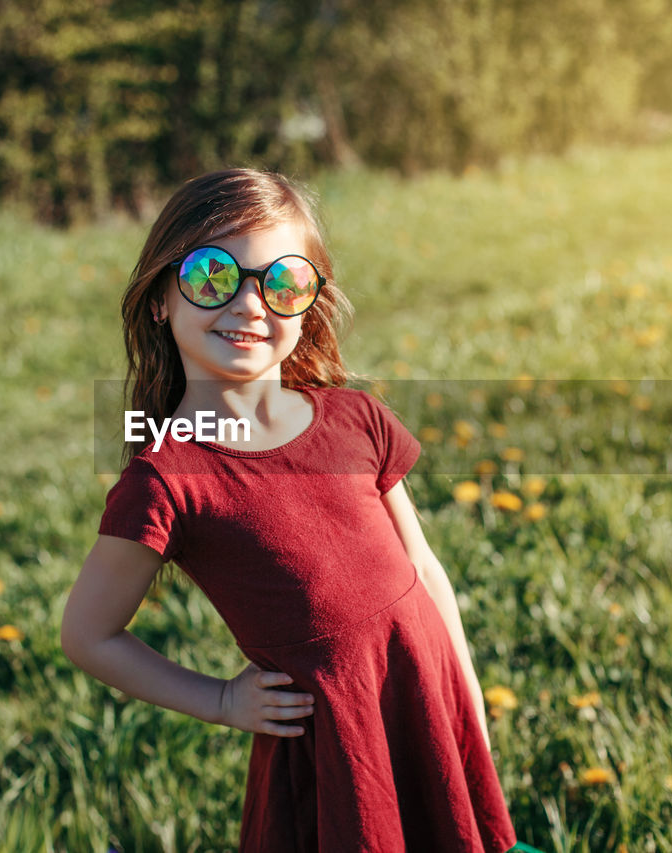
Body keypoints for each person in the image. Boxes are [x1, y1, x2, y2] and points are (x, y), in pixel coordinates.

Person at [60, 168, 518, 852]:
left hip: (423, 710)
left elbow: (424, 568)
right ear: (159, 297)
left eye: (282, 283)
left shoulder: (356, 418)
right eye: (213, 276)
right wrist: (220, 700)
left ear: (308, 303)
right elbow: (88, 633)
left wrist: (466, 698)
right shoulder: (168, 476)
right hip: (334, 752)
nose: (249, 306)